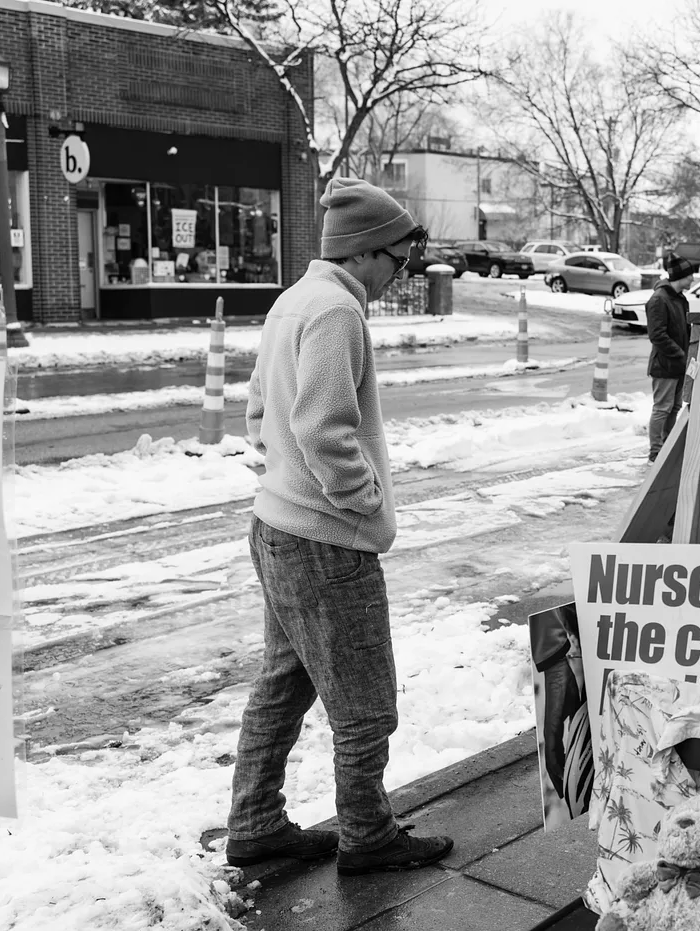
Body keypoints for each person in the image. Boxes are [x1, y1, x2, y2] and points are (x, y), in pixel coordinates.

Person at [225, 177, 453, 877]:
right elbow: (324, 431)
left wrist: (287, 474)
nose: (400, 273)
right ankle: (367, 833)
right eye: (398, 259)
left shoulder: (295, 299)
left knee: (285, 683)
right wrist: (361, 500)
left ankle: (256, 820)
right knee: (365, 701)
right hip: (325, 539)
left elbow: (258, 410)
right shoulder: (335, 313)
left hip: (277, 524)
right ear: (362, 253)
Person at [647, 252, 694, 461]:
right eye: (689, 275)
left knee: (674, 407)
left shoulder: (680, 299)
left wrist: (688, 355)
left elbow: (685, 329)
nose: (692, 279)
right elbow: (657, 335)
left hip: (679, 364)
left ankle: (667, 447)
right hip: (665, 365)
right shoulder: (659, 300)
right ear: (679, 277)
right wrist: (680, 354)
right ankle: (655, 453)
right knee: (662, 408)